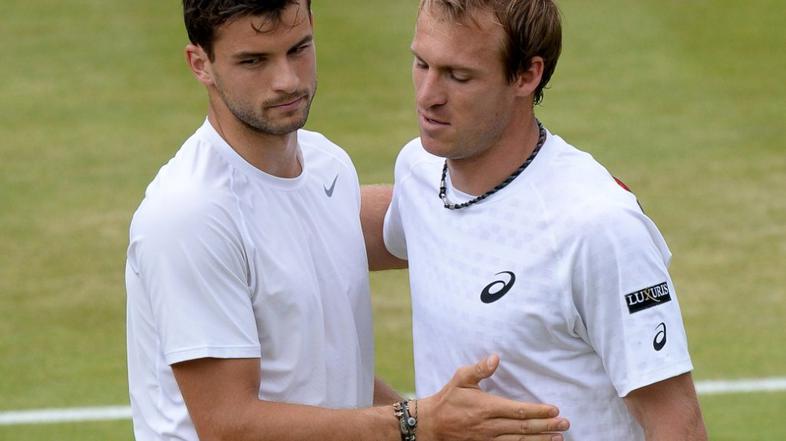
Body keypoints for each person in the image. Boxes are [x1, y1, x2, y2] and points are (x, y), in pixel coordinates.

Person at [125, 1, 571, 440]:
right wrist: (420, 423)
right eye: (254, 60)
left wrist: (561, 199)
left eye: (298, 49)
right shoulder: (190, 215)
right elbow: (229, 426)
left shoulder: (326, 166)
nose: (286, 80)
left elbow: (333, 380)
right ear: (200, 63)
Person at [376, 0, 709, 439]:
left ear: (527, 76)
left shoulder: (598, 226)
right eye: (421, 64)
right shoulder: (419, 171)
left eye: (459, 76)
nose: (427, 95)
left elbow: (678, 426)